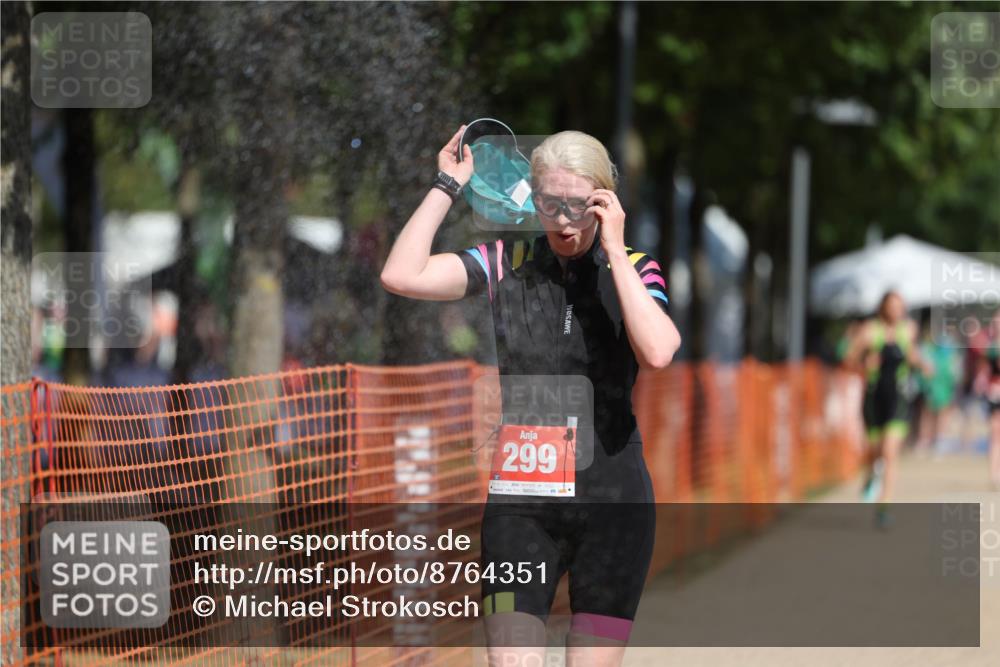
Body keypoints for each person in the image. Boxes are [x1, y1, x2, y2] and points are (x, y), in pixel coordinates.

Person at [380, 125, 681, 666]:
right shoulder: (507, 260)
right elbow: (402, 274)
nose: (563, 220)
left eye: (577, 205)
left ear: (603, 201)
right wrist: (446, 185)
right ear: (531, 197)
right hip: (522, 504)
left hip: (612, 503)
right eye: (548, 203)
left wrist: (613, 247)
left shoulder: (635, 268)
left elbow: (658, 351)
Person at [844, 291, 931, 529]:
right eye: (891, 306)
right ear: (883, 307)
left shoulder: (909, 330)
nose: (895, 310)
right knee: (874, 452)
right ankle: (871, 476)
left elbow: (911, 355)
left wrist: (924, 365)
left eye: (899, 306)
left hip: (898, 398)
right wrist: (863, 362)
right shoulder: (870, 330)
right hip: (874, 399)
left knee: (889, 452)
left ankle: (884, 507)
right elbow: (848, 358)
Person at [972, 310, 1000, 490]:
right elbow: (982, 366)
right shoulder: (989, 346)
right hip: (994, 392)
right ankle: (994, 474)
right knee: (995, 432)